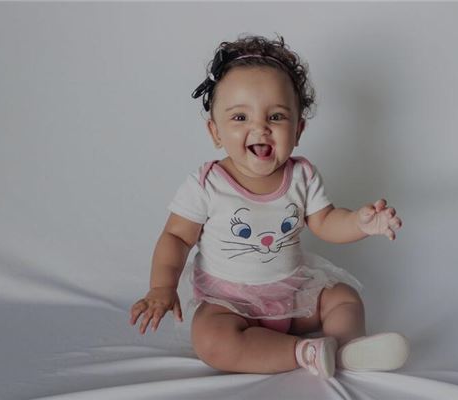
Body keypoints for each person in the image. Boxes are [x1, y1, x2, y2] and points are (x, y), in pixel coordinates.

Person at [130, 34, 408, 379]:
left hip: (292, 297)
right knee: (211, 341)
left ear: (298, 129)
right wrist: (162, 286)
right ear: (215, 132)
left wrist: (360, 223)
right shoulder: (207, 185)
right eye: (240, 117)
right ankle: (304, 352)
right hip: (229, 304)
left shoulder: (302, 175)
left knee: (343, 298)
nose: (260, 128)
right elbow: (176, 237)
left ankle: (348, 348)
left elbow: (326, 221)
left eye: (276, 116)